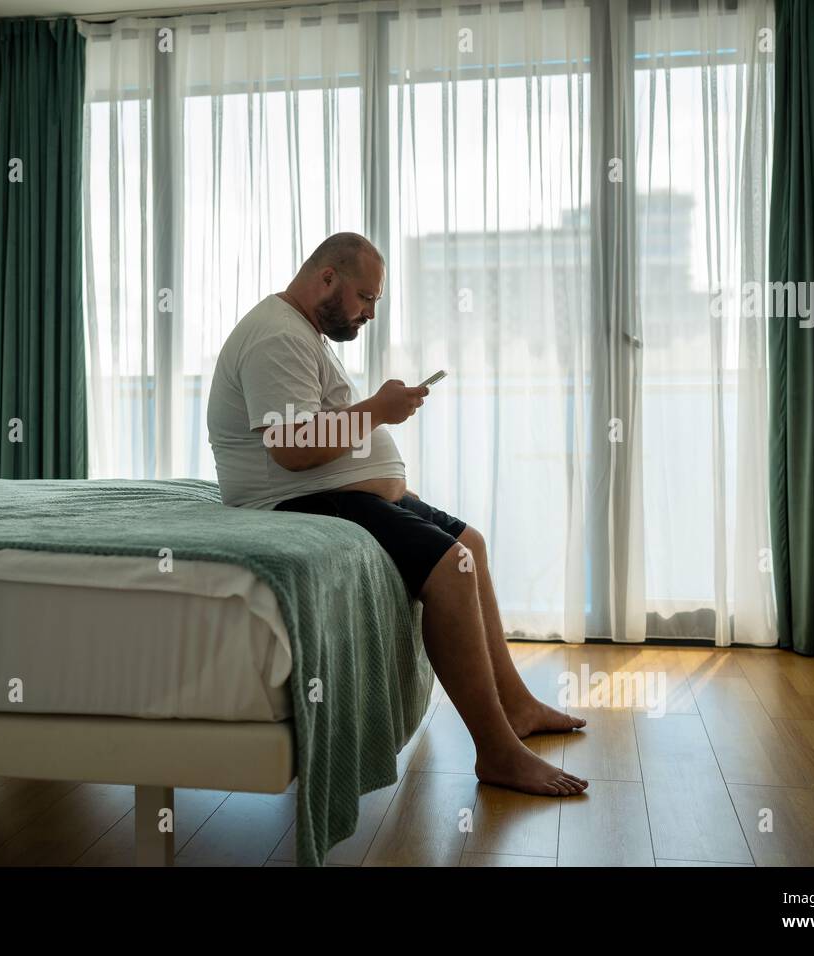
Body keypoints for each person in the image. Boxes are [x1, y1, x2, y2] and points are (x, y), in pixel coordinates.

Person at [207, 232, 588, 797]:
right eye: (366, 298)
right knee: (452, 566)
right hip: (296, 500)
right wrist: (377, 411)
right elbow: (288, 449)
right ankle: (497, 752)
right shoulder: (276, 336)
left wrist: (379, 414)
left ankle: (519, 706)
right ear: (327, 278)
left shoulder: (301, 332)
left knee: (472, 544)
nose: (368, 313)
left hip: (343, 490)